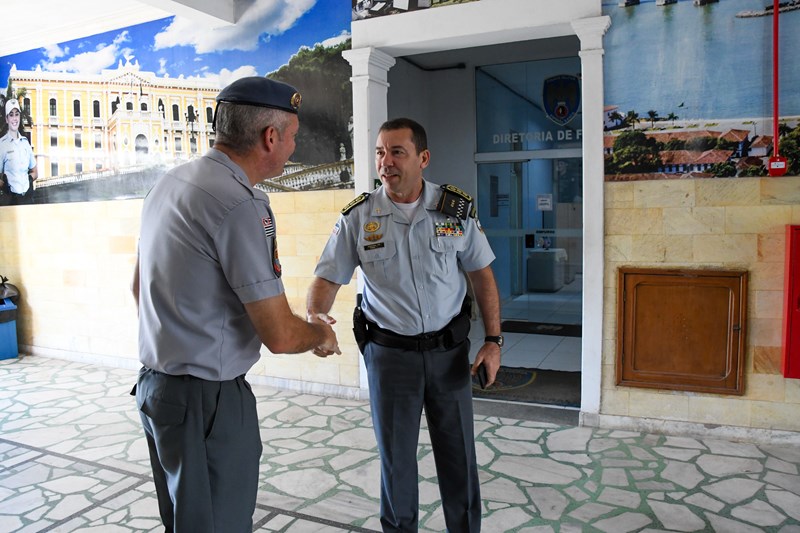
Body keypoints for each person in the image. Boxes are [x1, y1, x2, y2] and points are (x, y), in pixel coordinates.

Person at [131, 76, 340, 533]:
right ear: (270, 137)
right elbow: (281, 335)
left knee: (186, 522)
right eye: (293, 137)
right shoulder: (239, 204)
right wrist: (321, 333)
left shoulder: (168, 185)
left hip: (158, 390)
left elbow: (137, 289)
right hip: (207, 401)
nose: (292, 147)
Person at [307, 117, 502, 532]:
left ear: (423, 158)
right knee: (396, 463)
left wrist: (493, 340)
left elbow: (482, 275)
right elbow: (325, 278)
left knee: (458, 457)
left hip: (449, 355)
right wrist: (316, 318)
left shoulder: (454, 209)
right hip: (391, 358)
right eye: (380, 152)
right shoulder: (360, 218)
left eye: (397, 152)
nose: (386, 162)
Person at [0, 98, 37, 206]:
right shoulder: (2, 145)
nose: (14, 118)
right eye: (11, 115)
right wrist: (4, 187)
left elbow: (35, 171)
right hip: (10, 201)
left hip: (27, 200)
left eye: (17, 114)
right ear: (7, 119)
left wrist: (29, 180)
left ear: (20, 117)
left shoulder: (25, 143)